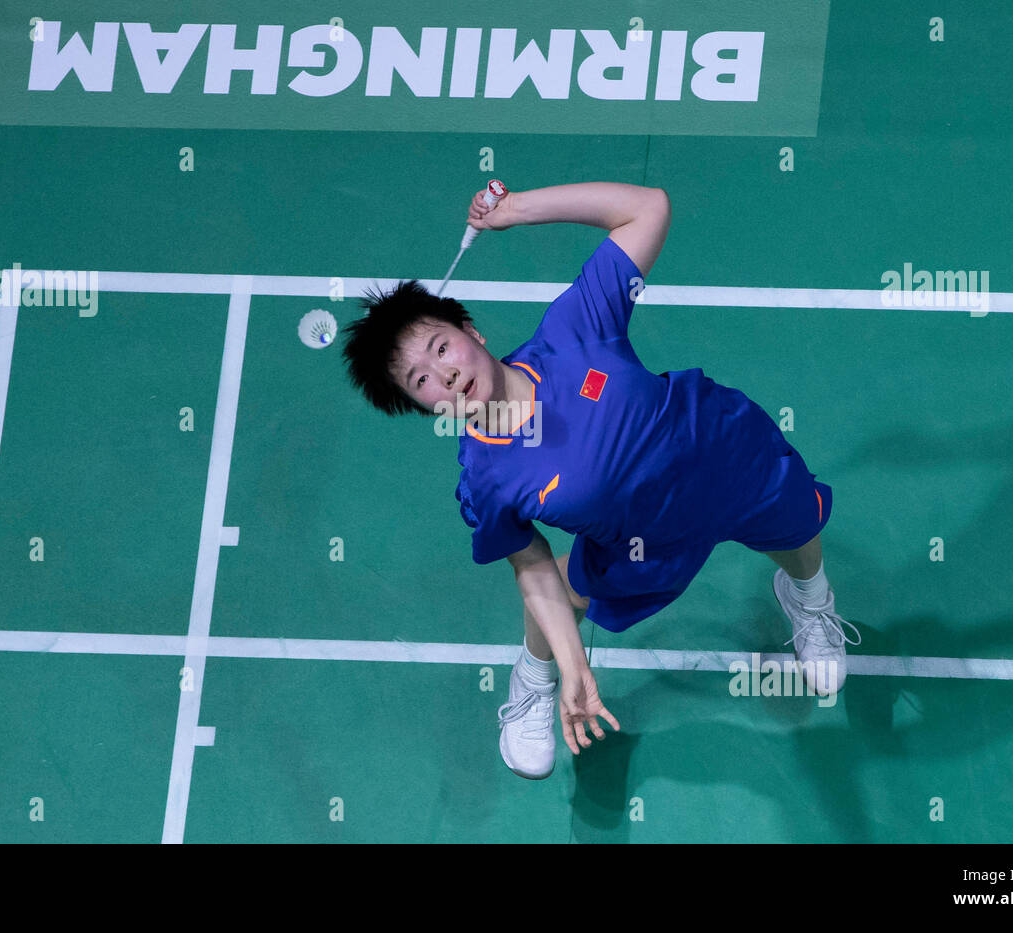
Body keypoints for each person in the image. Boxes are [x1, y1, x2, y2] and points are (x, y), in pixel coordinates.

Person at [341, 181, 860, 781]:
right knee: (566, 587)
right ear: (421, 407)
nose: (444, 375)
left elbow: (649, 208)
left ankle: (810, 601)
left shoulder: (573, 330)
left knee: (797, 527)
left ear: (472, 332)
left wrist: (516, 212)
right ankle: (532, 682)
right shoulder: (486, 478)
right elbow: (530, 566)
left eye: (440, 347)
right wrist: (571, 665)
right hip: (645, 547)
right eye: (421, 380)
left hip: (726, 456)